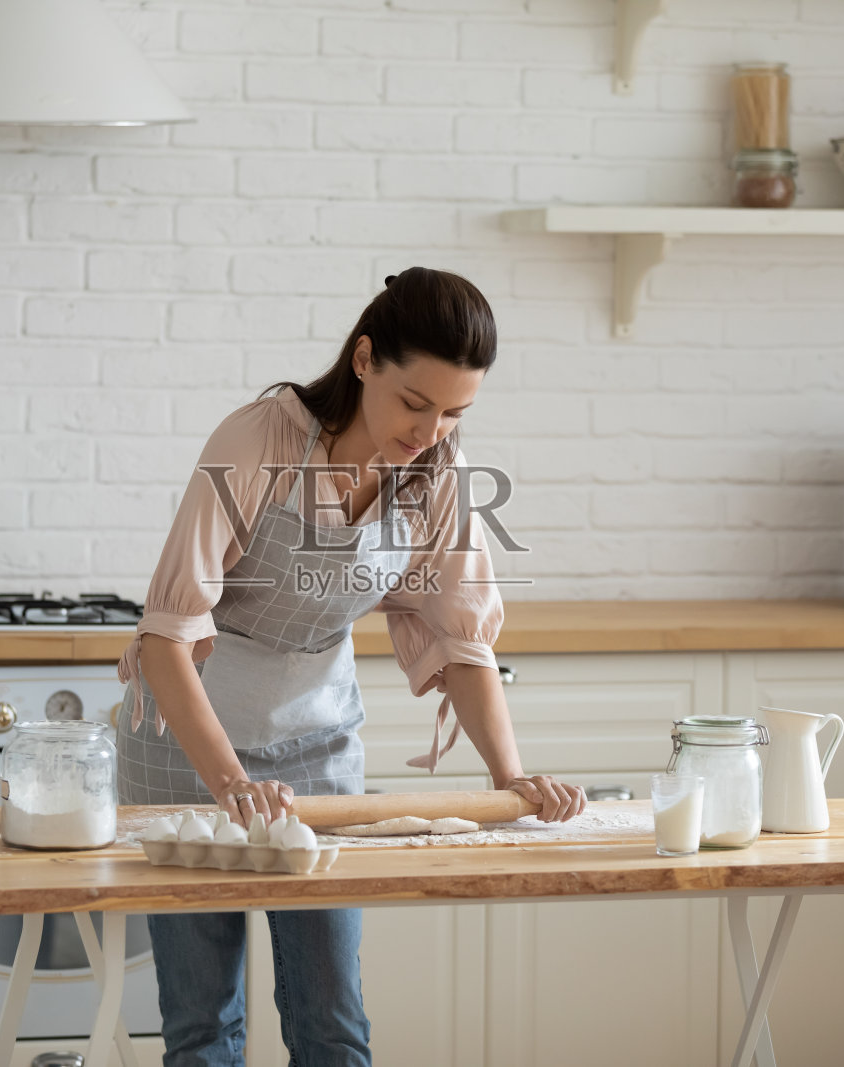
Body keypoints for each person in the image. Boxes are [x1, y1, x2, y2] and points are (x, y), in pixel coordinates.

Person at [115, 266, 586, 1066]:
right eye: (415, 403)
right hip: (190, 756)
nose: (430, 429)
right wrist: (231, 783)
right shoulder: (258, 439)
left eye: (453, 412)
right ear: (365, 359)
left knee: (332, 1022)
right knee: (203, 1031)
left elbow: (463, 639)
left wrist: (514, 780)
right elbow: (164, 639)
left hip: (317, 752)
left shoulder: (436, 471)